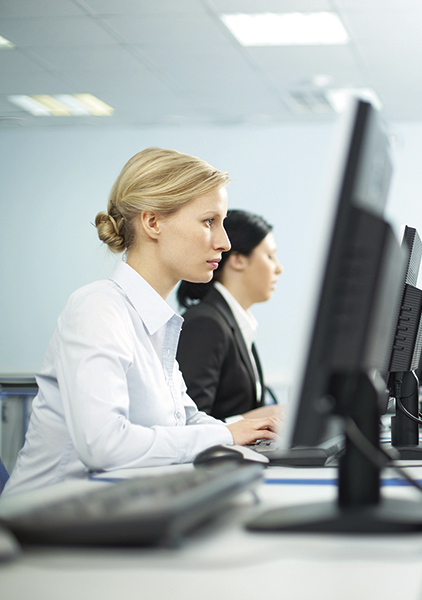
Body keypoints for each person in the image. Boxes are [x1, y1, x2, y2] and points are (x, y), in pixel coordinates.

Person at [3, 148, 277, 496]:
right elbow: (104, 445)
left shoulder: (155, 320)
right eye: (209, 221)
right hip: (43, 523)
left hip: (110, 507)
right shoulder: (98, 308)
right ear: (152, 222)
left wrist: (252, 432)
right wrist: (225, 434)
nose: (223, 242)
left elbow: (187, 420)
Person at [176, 210, 283, 421]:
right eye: (270, 256)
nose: (278, 268)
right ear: (237, 260)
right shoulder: (206, 324)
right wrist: (255, 421)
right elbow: (188, 425)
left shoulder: (234, 323)